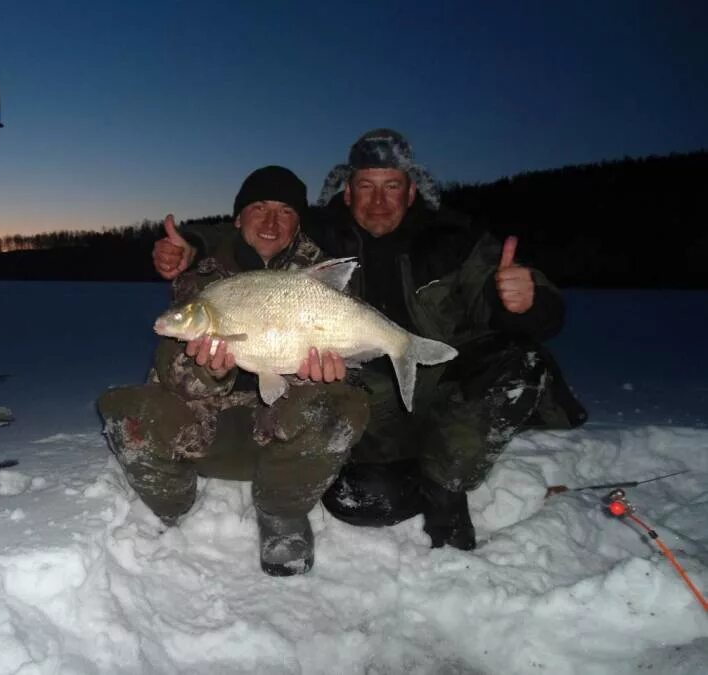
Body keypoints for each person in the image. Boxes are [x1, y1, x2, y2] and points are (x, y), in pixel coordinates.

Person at [152, 130, 587, 551]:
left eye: (392, 186)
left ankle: (446, 486)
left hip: (450, 384)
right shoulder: (324, 235)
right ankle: (416, 463)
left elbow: (535, 311)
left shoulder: (456, 240)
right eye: (366, 186)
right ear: (347, 192)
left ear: (411, 191)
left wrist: (527, 301)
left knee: (521, 362)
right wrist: (191, 245)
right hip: (372, 399)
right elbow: (255, 232)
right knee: (358, 502)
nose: (378, 200)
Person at [98, 165, 369, 576]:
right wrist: (210, 373)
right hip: (207, 434)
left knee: (344, 405)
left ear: (298, 223)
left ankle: (283, 513)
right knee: (125, 411)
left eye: (285, 211)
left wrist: (326, 372)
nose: (270, 222)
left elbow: (343, 362)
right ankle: (173, 504)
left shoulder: (323, 279)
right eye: (258, 208)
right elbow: (173, 373)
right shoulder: (201, 276)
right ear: (238, 217)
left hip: (280, 436)